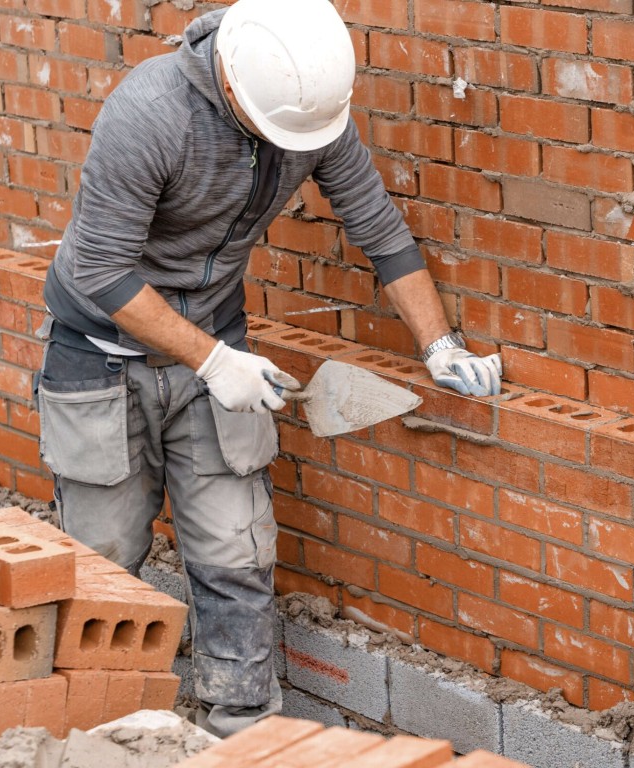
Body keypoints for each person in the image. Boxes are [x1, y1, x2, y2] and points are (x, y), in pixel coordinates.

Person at [35, 0, 501, 737]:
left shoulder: (307, 107)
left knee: (235, 551)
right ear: (231, 80)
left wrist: (439, 345)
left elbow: (376, 226)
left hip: (216, 346)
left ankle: (244, 734)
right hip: (100, 354)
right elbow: (100, 270)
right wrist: (214, 359)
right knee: (104, 563)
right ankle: (99, 737)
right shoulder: (150, 111)